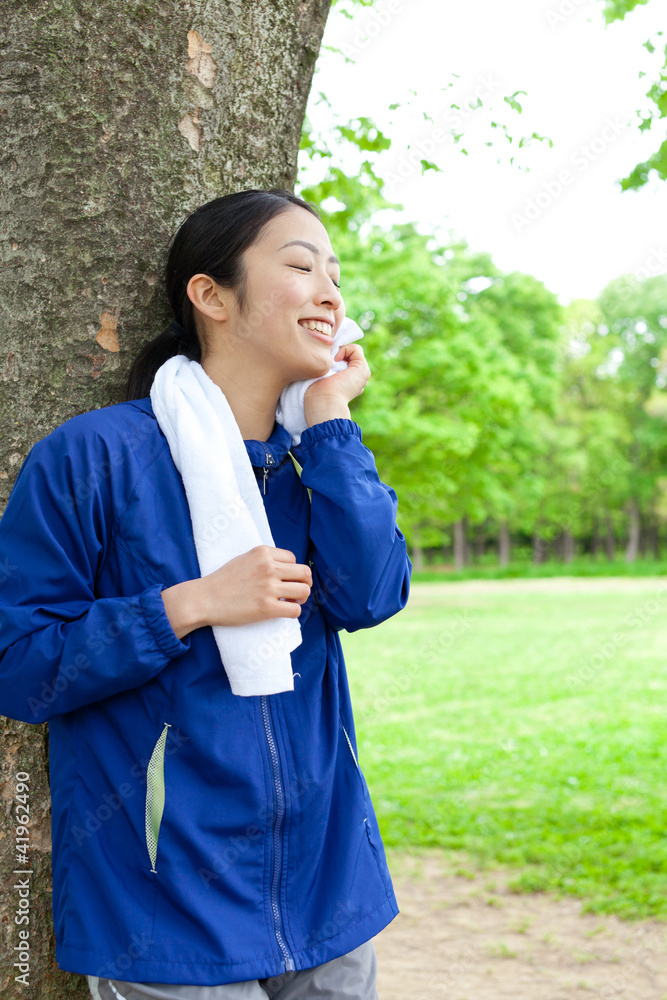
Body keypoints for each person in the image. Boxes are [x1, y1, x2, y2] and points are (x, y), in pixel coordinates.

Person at [0, 188, 412, 999]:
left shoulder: (313, 461)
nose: (331, 290)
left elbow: (372, 595)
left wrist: (330, 421)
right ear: (210, 295)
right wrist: (187, 605)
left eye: (336, 272)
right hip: (166, 910)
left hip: (330, 893)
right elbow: (16, 662)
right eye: (300, 266)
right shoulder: (97, 458)